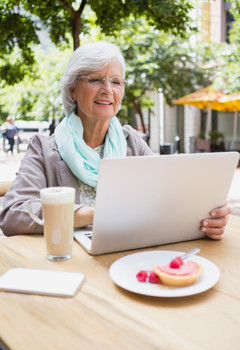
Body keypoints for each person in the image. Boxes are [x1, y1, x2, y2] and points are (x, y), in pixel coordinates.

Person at [0, 41, 230, 239]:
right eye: (96, 79)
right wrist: (94, 214)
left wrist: (207, 218)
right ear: (73, 91)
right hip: (69, 262)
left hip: (125, 255)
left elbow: (166, 200)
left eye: (116, 82)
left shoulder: (133, 143)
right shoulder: (44, 148)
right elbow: (13, 214)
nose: (107, 90)